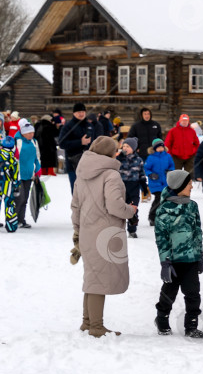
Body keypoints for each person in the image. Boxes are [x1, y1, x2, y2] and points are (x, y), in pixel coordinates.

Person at [70, 136, 137, 337]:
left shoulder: (81, 173)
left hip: (87, 231)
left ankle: (87, 322)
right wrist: (131, 210)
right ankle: (96, 327)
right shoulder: (111, 175)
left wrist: (78, 231)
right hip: (106, 233)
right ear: (110, 153)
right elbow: (115, 206)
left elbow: (75, 206)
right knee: (98, 280)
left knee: (92, 276)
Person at [154, 169, 203, 338]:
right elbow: (161, 238)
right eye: (188, 183)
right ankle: (162, 319)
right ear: (179, 186)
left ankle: (191, 326)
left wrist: (200, 256)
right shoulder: (164, 210)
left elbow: (198, 233)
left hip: (190, 260)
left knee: (193, 293)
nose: (191, 185)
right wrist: (165, 262)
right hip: (173, 261)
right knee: (169, 293)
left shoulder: (192, 206)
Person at [59, 103, 100, 193]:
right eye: (78, 112)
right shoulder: (68, 126)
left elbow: (94, 142)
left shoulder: (89, 125)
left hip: (89, 164)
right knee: (77, 192)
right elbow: (62, 143)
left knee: (90, 193)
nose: (81, 114)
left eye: (82, 111)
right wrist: (80, 142)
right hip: (73, 164)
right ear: (74, 113)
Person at [117, 138, 148, 238]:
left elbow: (141, 174)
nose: (125, 148)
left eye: (128, 146)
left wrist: (144, 185)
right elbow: (113, 168)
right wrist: (119, 158)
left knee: (133, 208)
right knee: (119, 208)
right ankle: (117, 229)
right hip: (121, 186)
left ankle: (132, 229)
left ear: (133, 148)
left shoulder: (138, 160)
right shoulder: (119, 158)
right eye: (124, 146)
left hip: (134, 186)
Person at [14, 120, 40, 229]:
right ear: (23, 133)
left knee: (25, 199)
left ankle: (21, 220)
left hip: (29, 175)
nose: (31, 134)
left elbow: (37, 157)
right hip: (18, 175)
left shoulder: (34, 142)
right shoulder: (17, 141)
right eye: (29, 133)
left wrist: (38, 170)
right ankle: (13, 219)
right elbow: (13, 158)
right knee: (19, 198)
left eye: (32, 132)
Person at [145, 139, 175, 226]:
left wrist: (170, 171)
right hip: (155, 182)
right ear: (154, 148)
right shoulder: (151, 157)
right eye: (158, 147)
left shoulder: (168, 156)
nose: (160, 149)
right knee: (158, 199)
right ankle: (152, 217)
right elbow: (146, 168)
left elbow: (172, 165)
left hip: (166, 182)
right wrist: (151, 175)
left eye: (162, 147)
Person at [1, 136, 19, 232]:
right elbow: (15, 174)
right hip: (8, 184)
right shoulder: (13, 158)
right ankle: (11, 225)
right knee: (9, 203)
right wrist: (16, 185)